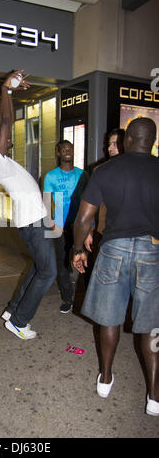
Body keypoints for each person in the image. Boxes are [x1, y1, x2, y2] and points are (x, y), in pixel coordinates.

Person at [72, 117, 159, 416]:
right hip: (153, 251)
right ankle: (155, 396)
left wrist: (76, 249)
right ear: (152, 141)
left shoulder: (105, 171)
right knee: (151, 325)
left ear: (128, 140)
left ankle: (106, 378)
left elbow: (84, 219)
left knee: (109, 320)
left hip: (113, 250)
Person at [0, 70, 57, 340]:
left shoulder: (4, 161)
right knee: (48, 272)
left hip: (36, 220)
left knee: (39, 268)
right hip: (33, 223)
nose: (9, 136)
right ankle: (19, 322)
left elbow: (6, 123)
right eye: (3, 135)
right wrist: (6, 90)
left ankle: (13, 311)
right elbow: (6, 120)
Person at [43, 140, 89, 314]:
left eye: (70, 148)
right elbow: (47, 203)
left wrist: (90, 226)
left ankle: (84, 298)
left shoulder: (83, 175)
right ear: (58, 154)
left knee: (84, 261)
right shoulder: (51, 176)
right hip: (61, 226)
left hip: (81, 225)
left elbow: (90, 201)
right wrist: (51, 223)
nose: (67, 151)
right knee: (62, 263)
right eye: (63, 149)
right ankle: (68, 299)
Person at [84, 128, 125, 253]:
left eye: (115, 144)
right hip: (104, 232)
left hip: (129, 233)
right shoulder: (101, 171)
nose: (110, 148)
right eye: (109, 144)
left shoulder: (138, 170)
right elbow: (92, 204)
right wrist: (89, 231)